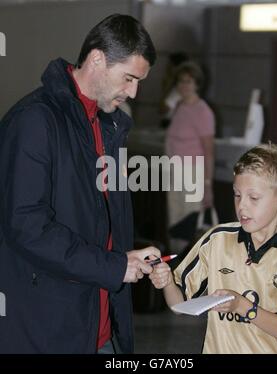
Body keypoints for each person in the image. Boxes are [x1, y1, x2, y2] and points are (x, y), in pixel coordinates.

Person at [0, 14, 160, 354]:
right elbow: (26, 226)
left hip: (99, 324)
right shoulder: (35, 121)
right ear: (97, 58)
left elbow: (98, 220)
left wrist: (127, 257)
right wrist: (114, 266)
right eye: (129, 78)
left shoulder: (109, 125)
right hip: (47, 329)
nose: (133, 92)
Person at [150, 143, 277, 354]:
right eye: (237, 195)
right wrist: (166, 282)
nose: (242, 206)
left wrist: (241, 306)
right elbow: (178, 305)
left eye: (253, 198)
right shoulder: (217, 239)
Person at [165, 61, 215, 252]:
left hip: (193, 174)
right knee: (175, 224)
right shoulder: (179, 106)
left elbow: (209, 152)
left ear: (197, 84)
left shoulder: (203, 111)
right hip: (175, 172)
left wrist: (207, 185)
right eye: (180, 81)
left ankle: (191, 272)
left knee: (189, 225)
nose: (184, 85)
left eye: (189, 81)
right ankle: (175, 270)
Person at [159, 52, 189, 128]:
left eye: (169, 66)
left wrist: (166, 88)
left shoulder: (179, 88)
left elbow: (162, 109)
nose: (166, 69)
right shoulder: (177, 87)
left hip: (172, 125)